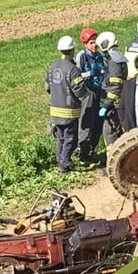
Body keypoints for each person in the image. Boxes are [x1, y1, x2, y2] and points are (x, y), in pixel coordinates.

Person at [47, 36, 86, 174]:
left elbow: (48, 87)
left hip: (55, 110)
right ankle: (65, 164)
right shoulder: (73, 69)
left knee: (60, 138)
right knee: (71, 138)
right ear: (72, 50)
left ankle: (61, 161)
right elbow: (79, 90)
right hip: (69, 111)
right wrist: (86, 95)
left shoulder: (52, 66)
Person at [75, 28, 107, 163]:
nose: (94, 46)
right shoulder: (82, 56)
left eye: (95, 43)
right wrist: (90, 74)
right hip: (87, 93)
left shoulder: (100, 56)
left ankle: (92, 149)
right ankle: (82, 151)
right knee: (86, 121)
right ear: (85, 44)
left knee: (98, 121)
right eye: (91, 43)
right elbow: (77, 75)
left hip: (100, 91)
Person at [96, 31, 127, 146]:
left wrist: (106, 105)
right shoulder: (118, 57)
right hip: (118, 103)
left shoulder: (114, 61)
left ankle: (111, 160)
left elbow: (115, 86)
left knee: (110, 133)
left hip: (113, 106)